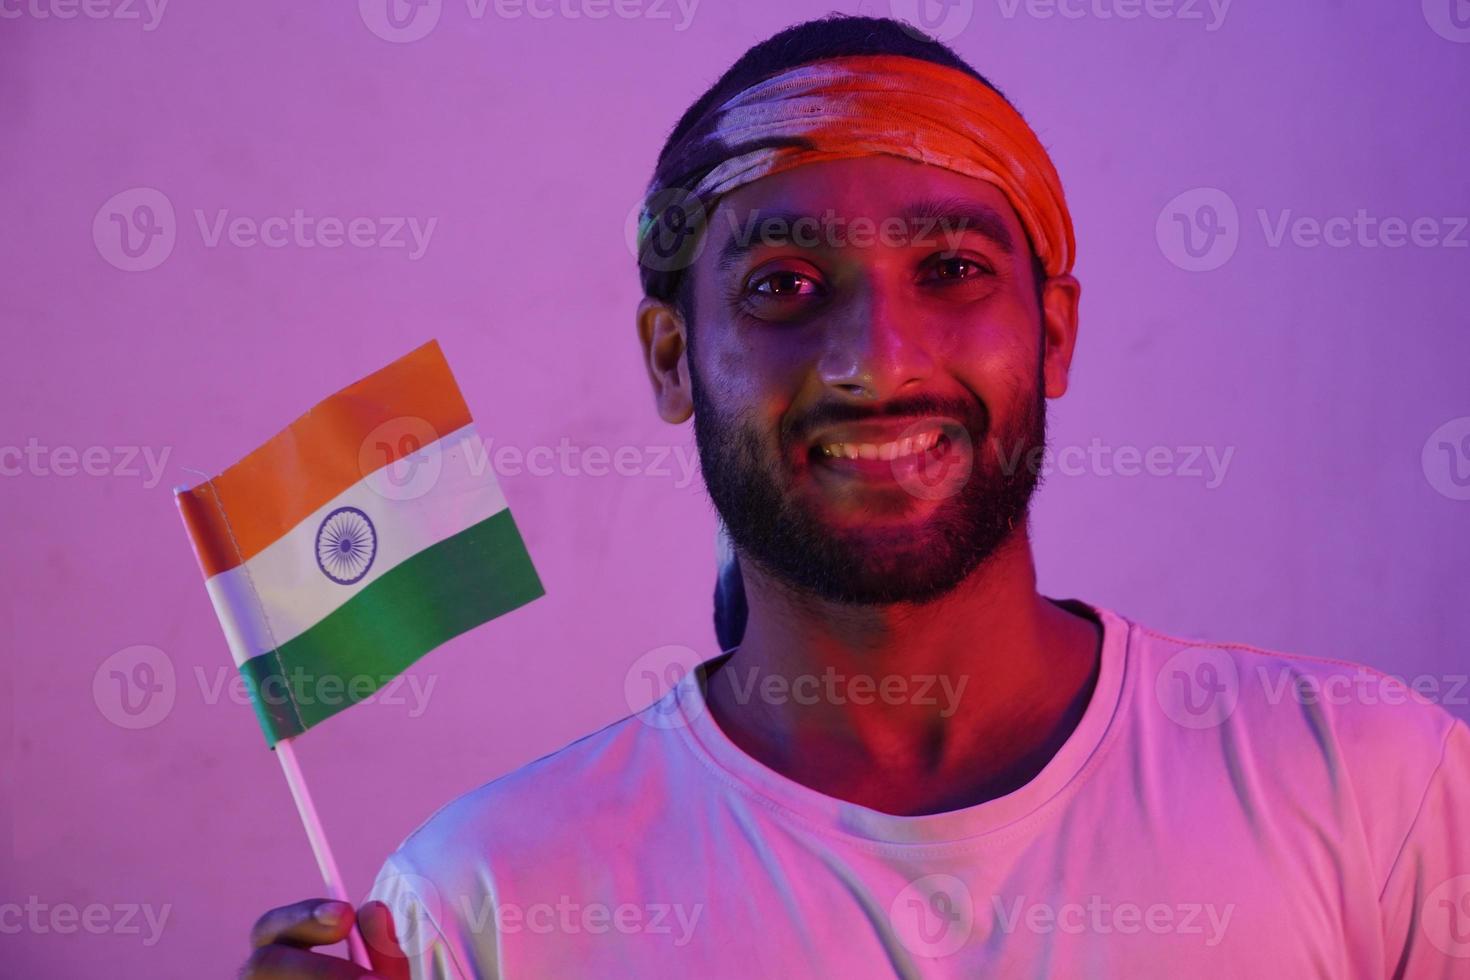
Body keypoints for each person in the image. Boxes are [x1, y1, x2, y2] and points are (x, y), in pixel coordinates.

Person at [241, 15, 1470, 978]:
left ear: (1053, 332)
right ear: (674, 358)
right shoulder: (476, 904)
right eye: (782, 283)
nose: (876, 362)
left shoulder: (1374, 790)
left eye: (949, 269)